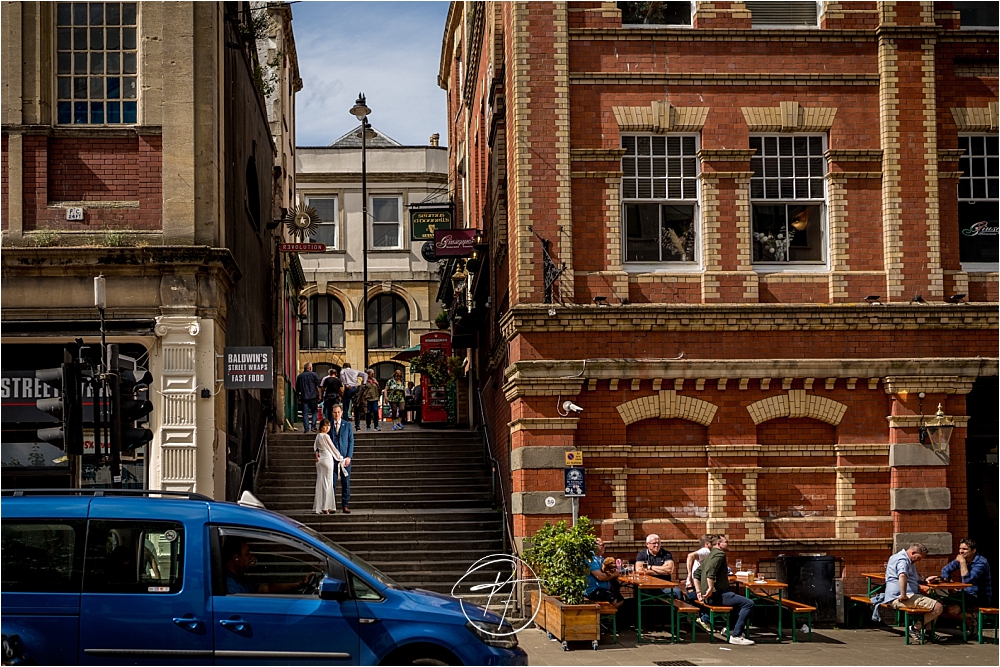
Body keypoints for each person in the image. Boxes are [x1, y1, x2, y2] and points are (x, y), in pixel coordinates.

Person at [695, 535, 755, 646]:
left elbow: (696, 574)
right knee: (748, 603)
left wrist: (699, 592)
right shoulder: (719, 554)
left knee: (738, 604)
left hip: (711, 596)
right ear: (718, 544)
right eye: (726, 542)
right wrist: (710, 588)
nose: (728, 544)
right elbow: (710, 572)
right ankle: (736, 636)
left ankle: (729, 629)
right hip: (717, 594)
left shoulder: (709, 555)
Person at [884, 542, 944, 642]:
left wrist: (925, 580)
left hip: (898, 595)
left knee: (937, 601)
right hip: (900, 596)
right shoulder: (903, 560)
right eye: (919, 558)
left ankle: (929, 632)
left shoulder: (899, 557)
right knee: (938, 607)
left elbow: (912, 576)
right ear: (913, 552)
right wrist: (903, 595)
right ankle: (915, 628)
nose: (919, 560)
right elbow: (902, 576)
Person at [930, 538, 992, 631]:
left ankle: (973, 617)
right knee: (940, 605)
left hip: (978, 596)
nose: (961, 551)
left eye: (965, 549)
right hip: (964, 593)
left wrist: (962, 563)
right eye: (960, 549)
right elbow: (945, 569)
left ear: (974, 550)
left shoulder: (981, 562)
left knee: (951, 610)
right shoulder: (962, 558)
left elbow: (967, 580)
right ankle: (969, 619)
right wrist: (946, 579)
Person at [222, 536, 310, 594]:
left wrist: (299, 584)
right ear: (236, 557)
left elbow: (266, 588)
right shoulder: (230, 585)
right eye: (247, 553)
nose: (250, 557)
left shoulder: (239, 579)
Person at [585, 538, 636, 626]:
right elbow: (600, 577)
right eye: (602, 545)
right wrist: (615, 574)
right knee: (616, 600)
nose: (604, 547)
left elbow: (606, 572)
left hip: (604, 588)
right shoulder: (590, 559)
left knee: (620, 596)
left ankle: (619, 620)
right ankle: (611, 619)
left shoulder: (601, 558)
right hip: (594, 590)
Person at [684, 534, 715, 634]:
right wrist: (689, 574)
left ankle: (704, 619)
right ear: (707, 544)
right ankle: (704, 620)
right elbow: (690, 556)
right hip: (693, 590)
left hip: (693, 588)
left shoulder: (710, 552)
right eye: (713, 543)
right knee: (718, 597)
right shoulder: (706, 551)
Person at [313, 419, 345, 514]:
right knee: (328, 483)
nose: (327, 428)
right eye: (325, 426)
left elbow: (315, 447)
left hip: (319, 460)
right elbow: (332, 448)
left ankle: (319, 506)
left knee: (320, 482)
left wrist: (316, 453)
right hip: (327, 459)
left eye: (328, 426)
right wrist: (340, 457)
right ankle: (325, 506)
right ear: (322, 427)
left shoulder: (318, 436)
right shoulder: (326, 436)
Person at [327, 405, 354, 513]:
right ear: (332, 413)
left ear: (342, 412)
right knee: (332, 482)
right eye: (334, 412)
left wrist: (349, 456)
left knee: (345, 482)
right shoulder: (328, 425)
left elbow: (351, 441)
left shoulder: (347, 425)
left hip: (344, 458)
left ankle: (345, 504)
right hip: (332, 458)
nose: (337, 414)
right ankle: (332, 505)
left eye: (338, 412)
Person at [295, 363, 321, 433]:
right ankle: (313, 426)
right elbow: (318, 386)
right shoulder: (314, 375)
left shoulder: (300, 376)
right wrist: (319, 395)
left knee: (305, 413)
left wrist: (298, 397)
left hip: (304, 397)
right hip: (313, 396)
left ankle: (306, 429)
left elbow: (297, 388)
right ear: (310, 368)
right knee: (314, 411)